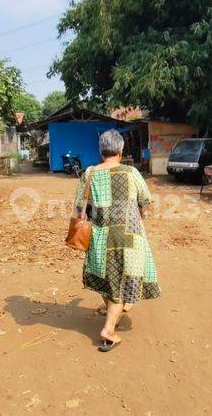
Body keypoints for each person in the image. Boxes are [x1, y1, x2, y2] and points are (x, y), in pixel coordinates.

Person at [73, 129, 160, 352]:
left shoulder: (89, 173)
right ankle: (108, 330)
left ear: (101, 151)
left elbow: (79, 208)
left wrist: (79, 226)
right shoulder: (131, 172)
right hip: (129, 235)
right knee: (122, 281)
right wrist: (140, 217)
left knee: (106, 277)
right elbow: (144, 200)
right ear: (120, 151)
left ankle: (115, 312)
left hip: (100, 236)